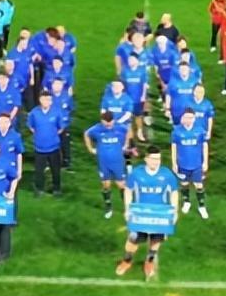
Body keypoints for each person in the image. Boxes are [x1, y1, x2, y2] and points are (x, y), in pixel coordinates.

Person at [115, 145, 179, 280]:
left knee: (156, 240)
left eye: (158, 159)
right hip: (140, 214)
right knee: (133, 239)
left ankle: (149, 262)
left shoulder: (167, 174)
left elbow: (174, 192)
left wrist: (174, 211)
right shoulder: (136, 174)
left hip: (160, 215)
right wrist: (127, 209)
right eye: (153, 159)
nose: (156, 162)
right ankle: (127, 261)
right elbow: (128, 190)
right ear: (146, 159)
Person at [84, 111, 130, 219]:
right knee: (106, 185)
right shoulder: (96, 129)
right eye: (106, 122)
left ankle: (127, 208)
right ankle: (108, 206)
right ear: (102, 121)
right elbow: (86, 134)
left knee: (121, 185)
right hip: (103, 162)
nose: (109, 124)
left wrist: (126, 144)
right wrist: (90, 149)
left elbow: (129, 131)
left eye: (110, 122)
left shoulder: (120, 127)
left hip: (118, 162)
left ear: (113, 120)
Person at [171, 109, 210, 219]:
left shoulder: (200, 131)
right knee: (184, 183)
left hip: (196, 164)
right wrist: (174, 163)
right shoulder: (176, 132)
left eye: (190, 117)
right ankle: (186, 202)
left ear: (194, 118)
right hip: (182, 164)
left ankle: (202, 207)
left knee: (199, 185)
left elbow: (205, 146)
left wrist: (205, 162)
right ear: (182, 118)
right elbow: (174, 147)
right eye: (186, 117)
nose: (188, 120)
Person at [27, 91, 63, 197]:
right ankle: (39, 189)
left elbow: (61, 127)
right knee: (39, 171)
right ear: (40, 100)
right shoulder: (34, 113)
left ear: (51, 101)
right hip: (39, 148)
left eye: (48, 100)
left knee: (55, 170)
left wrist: (52, 135)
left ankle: (57, 189)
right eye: (44, 99)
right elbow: (31, 126)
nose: (46, 101)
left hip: (54, 148)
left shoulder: (57, 112)